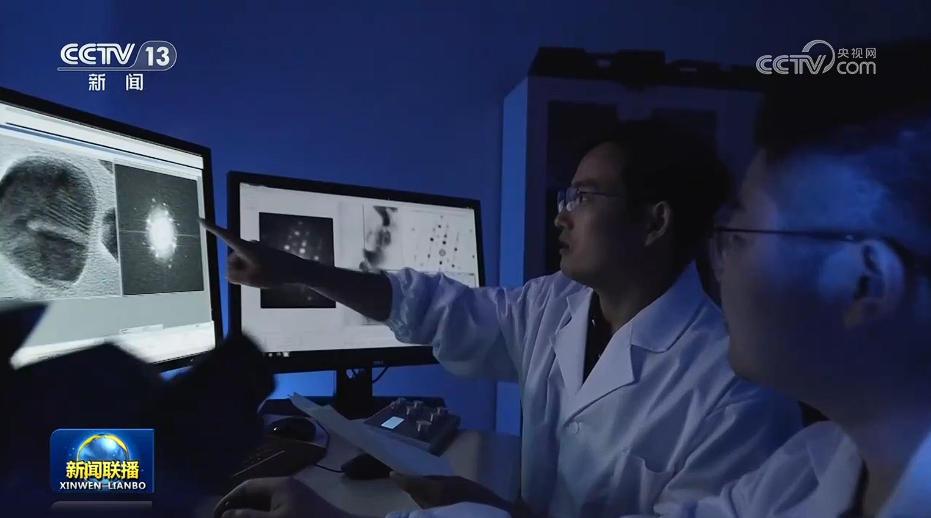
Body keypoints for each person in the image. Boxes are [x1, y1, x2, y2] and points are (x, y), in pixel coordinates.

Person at [205, 119, 800, 518]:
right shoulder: (554, 304)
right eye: (565, 197)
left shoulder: (737, 392)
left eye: (584, 197)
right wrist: (299, 270)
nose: (561, 216)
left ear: (654, 222)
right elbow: (437, 309)